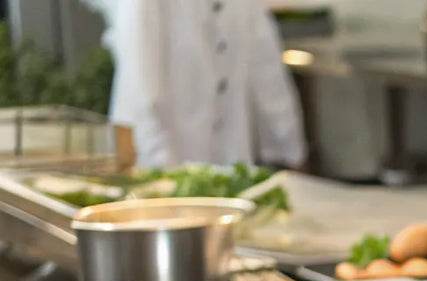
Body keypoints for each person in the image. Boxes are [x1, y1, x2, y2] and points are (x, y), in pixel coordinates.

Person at [82, 0, 305, 168]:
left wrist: (288, 149)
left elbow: (266, 68)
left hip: (230, 164)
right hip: (160, 164)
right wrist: (163, 177)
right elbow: (141, 90)